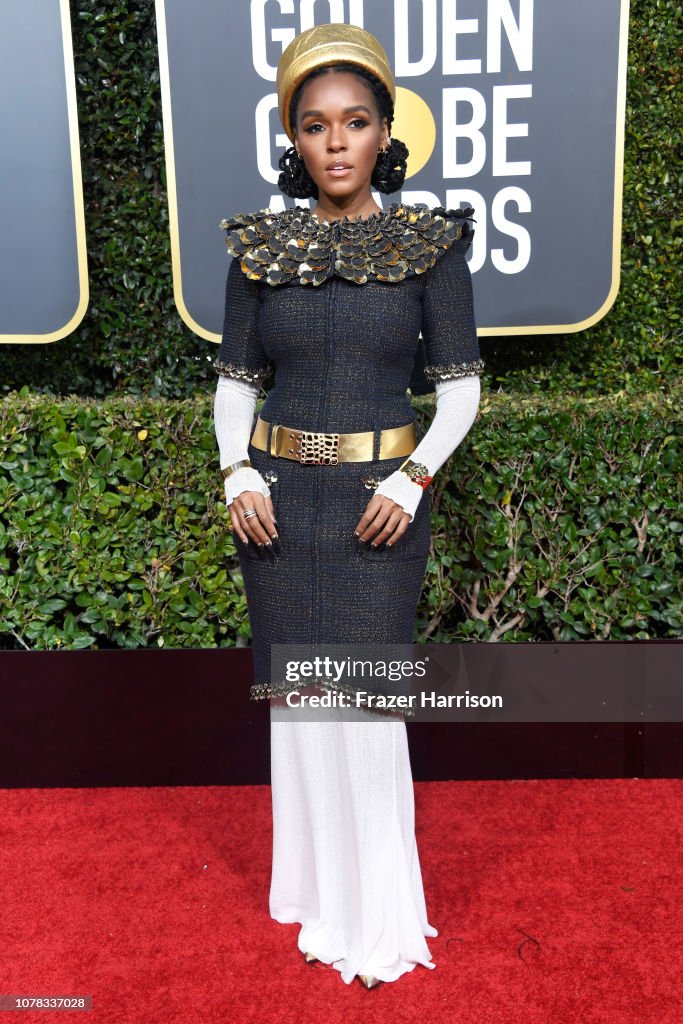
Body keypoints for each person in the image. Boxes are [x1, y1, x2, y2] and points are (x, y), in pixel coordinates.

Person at [213, 24, 484, 988]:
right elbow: (236, 380)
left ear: (382, 134)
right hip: (277, 510)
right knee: (299, 705)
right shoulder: (258, 249)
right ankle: (318, 893)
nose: (336, 142)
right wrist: (237, 473)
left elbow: (459, 388)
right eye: (316, 125)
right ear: (294, 136)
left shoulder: (428, 246)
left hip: (379, 511)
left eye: (355, 122)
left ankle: (376, 922)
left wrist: (410, 482)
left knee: (363, 708)